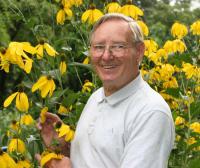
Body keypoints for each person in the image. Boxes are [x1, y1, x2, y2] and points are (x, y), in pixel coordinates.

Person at [36, 13, 175, 168]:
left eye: (118, 46)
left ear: (139, 51)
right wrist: (63, 147)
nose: (106, 56)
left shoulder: (151, 112)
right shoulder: (96, 97)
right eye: (99, 47)